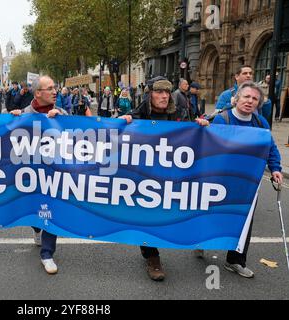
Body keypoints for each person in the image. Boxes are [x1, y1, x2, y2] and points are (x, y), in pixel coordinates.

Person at [196, 81, 283, 278]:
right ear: (236, 99)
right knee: (212, 214)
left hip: (247, 184)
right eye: (246, 97)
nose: (250, 101)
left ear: (258, 103)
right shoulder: (222, 119)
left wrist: (275, 168)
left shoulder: (261, 123)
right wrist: (202, 127)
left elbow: (270, 147)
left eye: (254, 98)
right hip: (219, 181)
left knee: (244, 221)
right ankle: (201, 241)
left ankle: (235, 260)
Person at [119, 76, 177, 281]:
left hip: (171, 175)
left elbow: (194, 136)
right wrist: (123, 121)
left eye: (167, 92)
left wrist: (201, 125)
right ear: (149, 94)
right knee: (147, 214)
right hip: (144, 177)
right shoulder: (139, 114)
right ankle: (152, 257)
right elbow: (118, 134)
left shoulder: (179, 113)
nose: (163, 96)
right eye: (159, 92)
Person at [10, 75, 66, 275]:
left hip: (52, 173)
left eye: (54, 87)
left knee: (51, 208)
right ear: (38, 93)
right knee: (35, 208)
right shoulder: (24, 114)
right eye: (49, 88)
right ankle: (36, 229)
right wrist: (13, 118)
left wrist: (61, 118)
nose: (54, 91)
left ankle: (47, 253)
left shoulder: (60, 113)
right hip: (30, 173)